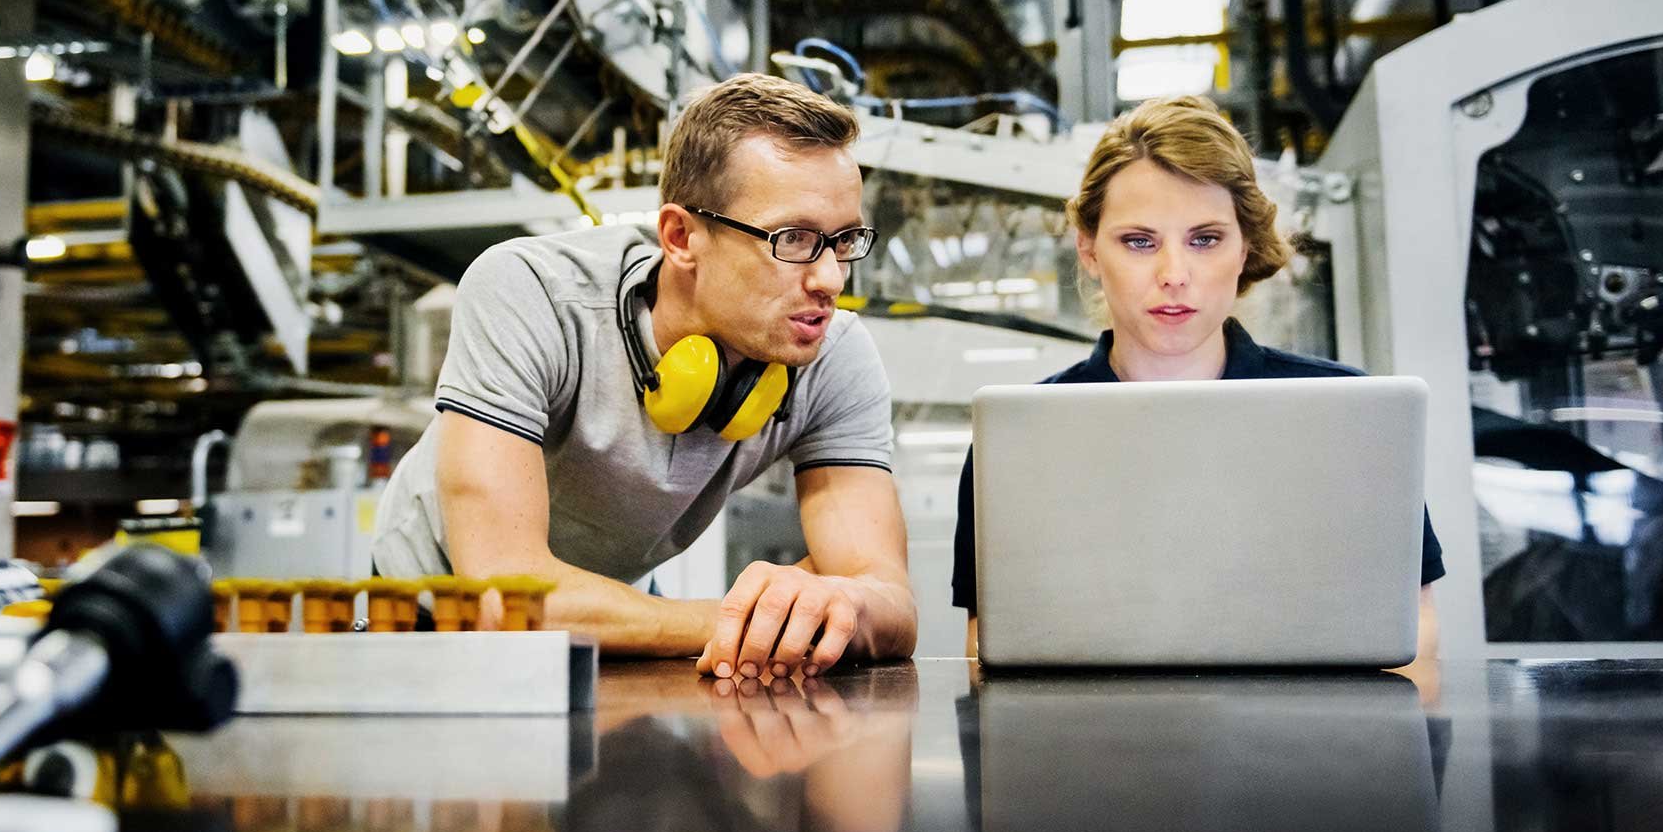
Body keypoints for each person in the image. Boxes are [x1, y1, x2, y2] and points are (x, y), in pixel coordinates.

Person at [373, 73, 917, 678]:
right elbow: (505, 598)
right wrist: (741, 621)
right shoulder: (531, 294)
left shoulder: (833, 354)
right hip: (428, 619)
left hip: (614, 621)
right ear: (682, 237)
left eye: (843, 242)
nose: (831, 281)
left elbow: (888, 599)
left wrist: (839, 603)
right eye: (793, 239)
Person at [952, 95, 1446, 657]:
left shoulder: (1354, 419)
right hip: (1092, 740)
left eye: (1205, 239)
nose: (1174, 275)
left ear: (1244, 249)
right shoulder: (1018, 440)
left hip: (1308, 740)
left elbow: (1414, 630)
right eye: (1139, 242)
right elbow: (987, 645)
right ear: (1088, 248)